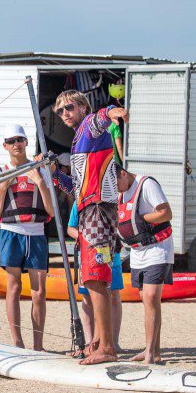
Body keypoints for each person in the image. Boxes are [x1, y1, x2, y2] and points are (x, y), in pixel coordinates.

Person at [50, 89, 128, 365]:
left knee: (95, 278)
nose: (64, 114)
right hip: (88, 210)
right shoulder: (79, 141)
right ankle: (99, 340)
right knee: (95, 278)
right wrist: (55, 174)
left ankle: (106, 347)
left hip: (97, 210)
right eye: (60, 111)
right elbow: (76, 187)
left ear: (83, 107)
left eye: (69, 107)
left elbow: (100, 118)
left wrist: (112, 111)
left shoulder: (89, 128)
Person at [0, 125, 55, 351]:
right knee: (14, 288)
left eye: (20, 139)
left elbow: (51, 211)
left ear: (26, 142)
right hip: (11, 233)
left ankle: (38, 345)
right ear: (5, 145)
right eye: (11, 141)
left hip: (36, 233)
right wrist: (3, 187)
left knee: (39, 292)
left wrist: (40, 182)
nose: (16, 144)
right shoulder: (1, 172)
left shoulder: (40, 171)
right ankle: (17, 342)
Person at [114, 164, 174, 365]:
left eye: (116, 184)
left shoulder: (147, 185)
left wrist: (141, 219)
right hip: (137, 252)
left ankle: (149, 352)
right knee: (147, 301)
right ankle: (154, 351)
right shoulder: (121, 192)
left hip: (157, 249)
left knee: (151, 298)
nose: (116, 190)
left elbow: (166, 213)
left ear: (123, 174)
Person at [66, 204, 124, 353]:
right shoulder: (80, 202)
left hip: (109, 251)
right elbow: (70, 228)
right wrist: (86, 238)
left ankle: (113, 341)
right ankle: (90, 341)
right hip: (87, 252)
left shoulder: (112, 198)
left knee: (113, 294)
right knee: (87, 297)